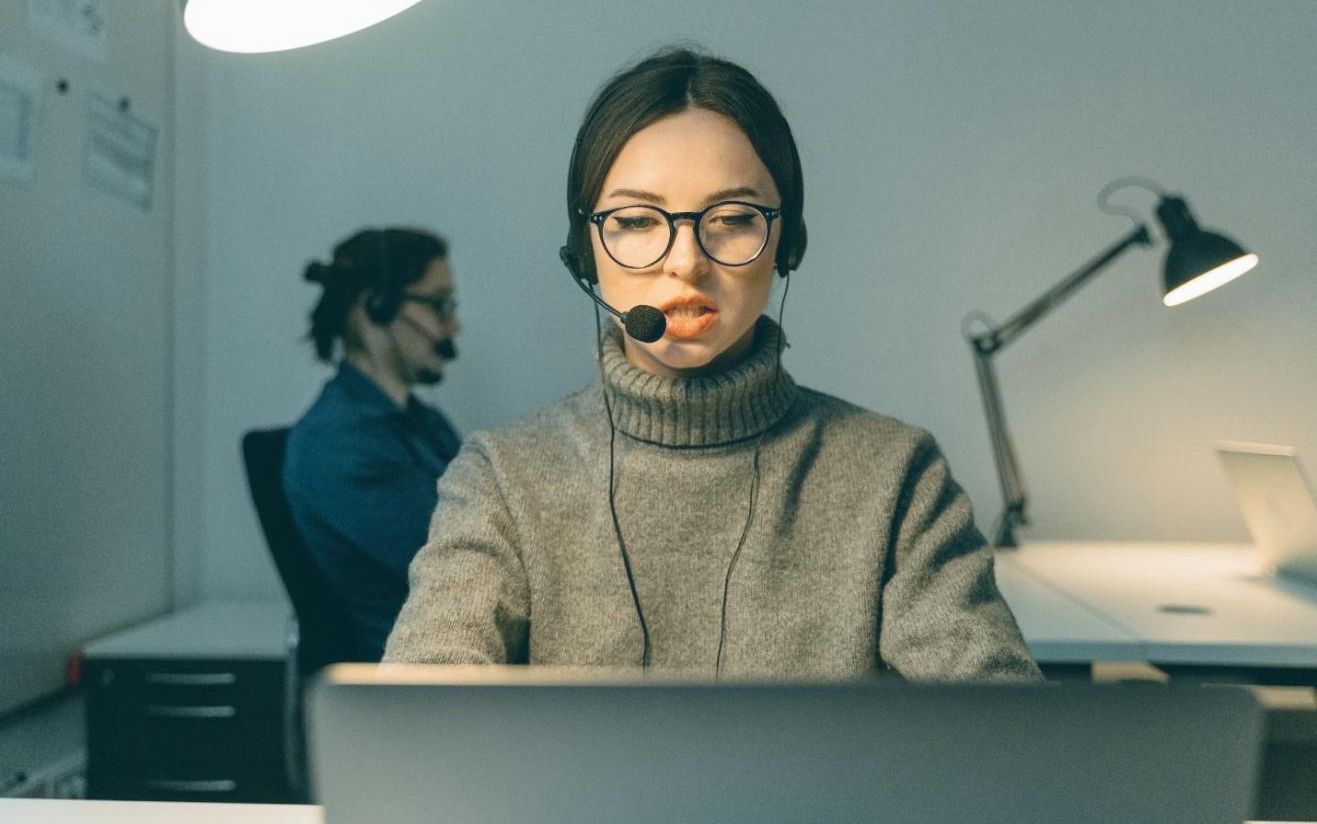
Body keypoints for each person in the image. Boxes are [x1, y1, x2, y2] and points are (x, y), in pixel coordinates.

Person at [384, 49, 1040, 680]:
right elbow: (414, 730)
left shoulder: (895, 477)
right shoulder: (502, 478)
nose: (686, 261)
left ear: (788, 242)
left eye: (729, 218)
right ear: (585, 251)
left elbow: (1006, 738)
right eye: (638, 220)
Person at [284, 227, 462, 662]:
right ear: (376, 308)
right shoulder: (339, 444)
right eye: (440, 305)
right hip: (417, 682)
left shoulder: (423, 422)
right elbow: (464, 564)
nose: (453, 325)